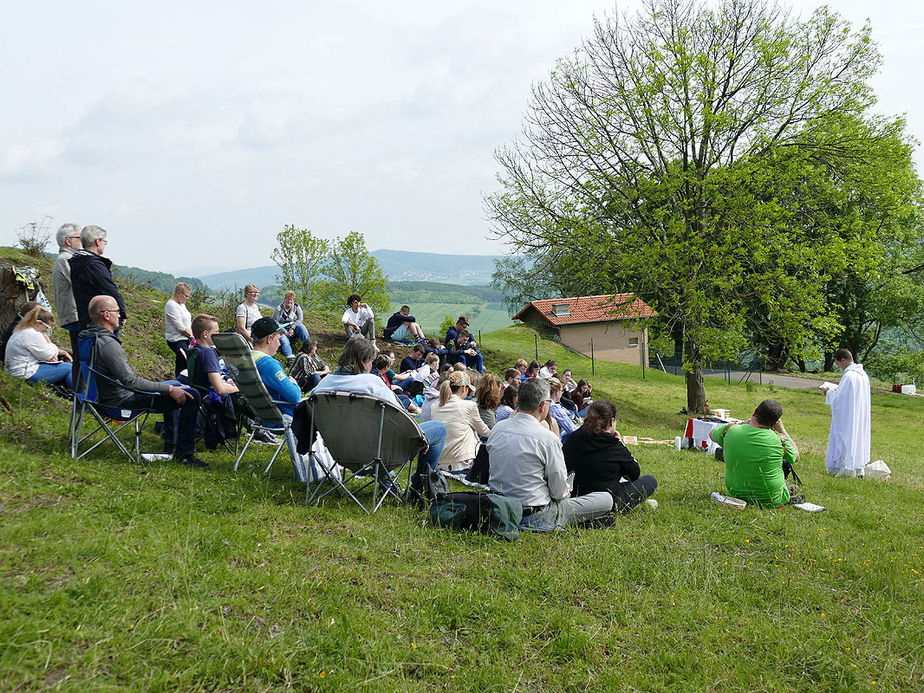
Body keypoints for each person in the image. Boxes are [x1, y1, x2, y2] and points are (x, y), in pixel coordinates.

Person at [80, 295, 204, 467]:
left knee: (177, 385)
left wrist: (169, 388)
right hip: (122, 402)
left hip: (102, 397)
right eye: (117, 312)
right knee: (192, 395)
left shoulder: (89, 337)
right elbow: (130, 381)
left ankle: (172, 442)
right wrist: (168, 390)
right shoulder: (108, 344)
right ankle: (184, 454)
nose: (120, 315)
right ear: (106, 315)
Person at [487, 377, 615, 530]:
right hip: (537, 515)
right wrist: (565, 491)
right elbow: (559, 493)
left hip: (499, 508)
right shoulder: (547, 439)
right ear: (543, 406)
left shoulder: (498, 428)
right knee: (606, 499)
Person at [311, 337, 446, 477]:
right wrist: (421, 438)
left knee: (375, 435)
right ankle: (420, 486)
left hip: (340, 452)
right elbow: (400, 416)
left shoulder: (323, 385)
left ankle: (387, 485)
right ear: (364, 362)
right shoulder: (372, 383)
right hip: (378, 453)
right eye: (371, 361)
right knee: (439, 428)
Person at [562, 401, 657, 511]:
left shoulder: (574, 437)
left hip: (575, 495)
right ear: (612, 421)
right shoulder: (615, 446)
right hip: (606, 501)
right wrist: (621, 443)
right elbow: (634, 474)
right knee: (650, 480)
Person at [249, 317, 311, 481]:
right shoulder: (269, 364)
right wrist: (295, 383)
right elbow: (294, 396)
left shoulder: (246, 360)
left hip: (263, 415)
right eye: (279, 338)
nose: (280, 342)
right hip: (284, 416)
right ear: (269, 339)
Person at [708, 399, 798, 507]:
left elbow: (711, 434)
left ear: (755, 412)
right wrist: (782, 430)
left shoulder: (729, 430)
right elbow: (796, 456)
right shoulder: (780, 440)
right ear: (774, 424)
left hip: (735, 495)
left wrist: (741, 423)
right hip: (772, 500)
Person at [821, 348, 871, 477]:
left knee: (845, 439)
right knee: (857, 438)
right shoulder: (863, 375)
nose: (838, 367)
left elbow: (840, 401)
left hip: (848, 416)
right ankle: (858, 468)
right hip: (859, 414)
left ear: (843, 360)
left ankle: (845, 469)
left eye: (838, 364)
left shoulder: (849, 376)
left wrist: (829, 392)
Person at [430, 370, 491, 472]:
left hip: (438, 461)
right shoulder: (469, 405)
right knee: (473, 432)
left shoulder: (434, 406)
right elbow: (484, 431)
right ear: (464, 388)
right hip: (461, 462)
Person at [69, 225, 126, 330]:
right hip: (101, 321)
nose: (104, 244)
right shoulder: (93, 265)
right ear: (97, 241)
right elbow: (109, 289)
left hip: (86, 317)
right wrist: (121, 312)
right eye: (104, 241)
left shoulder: (78, 260)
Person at [4, 305, 73, 388]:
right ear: (39, 323)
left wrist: (51, 351)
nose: (46, 330)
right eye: (47, 327)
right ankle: (78, 395)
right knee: (70, 368)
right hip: (24, 373)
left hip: (15, 371)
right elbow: (48, 355)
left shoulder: (22, 330)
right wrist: (49, 343)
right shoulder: (33, 334)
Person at [51, 222, 82, 357]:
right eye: (79, 237)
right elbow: (81, 283)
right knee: (81, 355)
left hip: (75, 313)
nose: (82, 240)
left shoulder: (68, 258)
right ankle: (80, 378)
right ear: (68, 241)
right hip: (75, 314)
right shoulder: (66, 259)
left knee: (81, 354)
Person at [273, 290, 310, 365]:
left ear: (293, 300)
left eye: (291, 300)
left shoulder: (296, 307)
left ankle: (309, 347)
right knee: (284, 340)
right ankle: (290, 358)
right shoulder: (279, 309)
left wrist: (292, 328)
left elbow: (300, 319)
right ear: (284, 299)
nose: (289, 301)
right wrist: (285, 332)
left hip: (294, 329)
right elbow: (276, 322)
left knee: (302, 327)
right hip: (283, 330)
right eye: (287, 299)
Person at [164, 283, 193, 377]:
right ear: (179, 293)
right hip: (177, 340)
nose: (187, 298)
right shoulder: (171, 305)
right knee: (183, 361)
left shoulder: (181, 304)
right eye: (186, 296)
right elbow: (180, 327)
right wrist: (193, 336)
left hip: (187, 338)